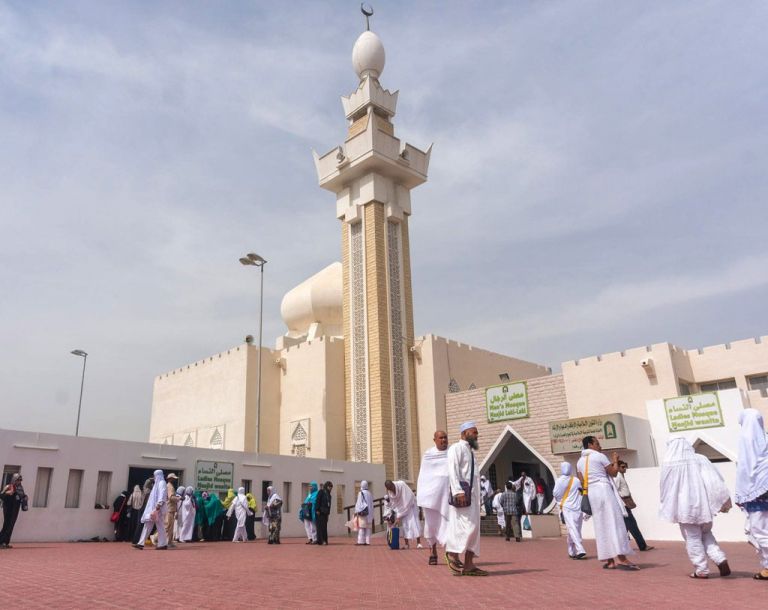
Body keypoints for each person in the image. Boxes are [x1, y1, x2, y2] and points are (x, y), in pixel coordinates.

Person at [659, 437, 731, 578]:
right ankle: (720, 558)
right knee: (706, 534)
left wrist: (668, 506)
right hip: (703, 506)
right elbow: (713, 481)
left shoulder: (668, 463)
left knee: (692, 538)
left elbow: (665, 488)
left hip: (684, 508)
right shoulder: (700, 459)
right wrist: (721, 500)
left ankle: (701, 569)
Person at [577, 436, 637, 570]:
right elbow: (614, 473)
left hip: (592, 494)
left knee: (601, 526)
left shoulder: (580, 461)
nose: (600, 446)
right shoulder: (599, 456)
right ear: (590, 445)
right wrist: (615, 460)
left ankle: (610, 561)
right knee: (614, 522)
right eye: (597, 443)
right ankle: (622, 558)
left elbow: (581, 480)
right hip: (604, 491)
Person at [445, 421, 487, 576]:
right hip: (462, 496)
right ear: (464, 434)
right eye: (474, 432)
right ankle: (452, 554)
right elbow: (452, 470)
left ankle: (469, 565)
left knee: (474, 530)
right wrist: (458, 491)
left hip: (473, 498)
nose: (476, 435)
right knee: (465, 527)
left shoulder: (470, 451)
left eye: (477, 433)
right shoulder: (456, 448)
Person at [735, 408, 768, 580]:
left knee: (760, 531)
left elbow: (745, 470)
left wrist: (741, 493)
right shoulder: (766, 438)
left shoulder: (745, 440)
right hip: (763, 492)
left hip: (757, 495)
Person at [417, 430, 451, 564]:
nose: (444, 440)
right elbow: (424, 476)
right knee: (431, 525)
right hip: (431, 498)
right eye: (441, 438)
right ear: (435, 440)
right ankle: (433, 551)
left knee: (448, 524)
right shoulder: (428, 455)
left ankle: (450, 553)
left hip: (447, 497)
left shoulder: (452, 452)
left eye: (445, 437)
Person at [614, 461, 653, 552]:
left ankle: (619, 547)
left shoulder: (620, 476)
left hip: (625, 503)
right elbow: (615, 490)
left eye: (625, 467)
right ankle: (642, 545)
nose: (625, 469)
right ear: (618, 467)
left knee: (624, 527)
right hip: (623, 504)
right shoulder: (618, 476)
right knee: (632, 525)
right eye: (623, 467)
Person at [552, 463, 586, 559]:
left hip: (571, 507)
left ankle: (571, 551)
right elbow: (580, 492)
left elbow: (555, 494)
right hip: (572, 508)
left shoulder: (560, 481)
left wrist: (562, 500)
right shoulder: (576, 480)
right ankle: (580, 549)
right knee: (574, 528)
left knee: (573, 529)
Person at [133, 469, 168, 550]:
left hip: (158, 508)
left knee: (160, 526)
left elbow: (162, 494)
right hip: (153, 509)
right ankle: (141, 543)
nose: (154, 477)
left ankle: (162, 544)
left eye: (155, 475)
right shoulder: (157, 483)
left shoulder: (162, 483)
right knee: (148, 525)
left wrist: (159, 504)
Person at [384, 479, 421, 549]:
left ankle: (419, 543)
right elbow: (394, 503)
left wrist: (400, 515)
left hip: (410, 506)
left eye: (392, 487)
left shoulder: (401, 484)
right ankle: (407, 544)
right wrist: (398, 513)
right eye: (389, 489)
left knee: (414, 523)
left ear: (393, 484)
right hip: (401, 509)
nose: (392, 489)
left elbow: (409, 497)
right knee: (405, 526)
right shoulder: (390, 492)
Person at [0, 473, 27, 549]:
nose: (19, 481)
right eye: (18, 480)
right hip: (8, 508)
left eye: (20, 480)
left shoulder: (20, 488)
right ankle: (1, 541)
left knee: (11, 525)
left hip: (15, 509)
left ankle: (6, 542)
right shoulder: (9, 487)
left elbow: (22, 496)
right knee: (7, 525)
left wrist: (25, 497)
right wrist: (8, 493)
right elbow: (1, 495)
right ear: (14, 480)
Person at [354, 480, 374, 545]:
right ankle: (368, 541)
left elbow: (359, 503)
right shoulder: (369, 493)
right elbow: (371, 504)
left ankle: (360, 541)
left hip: (363, 513)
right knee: (368, 528)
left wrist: (356, 511)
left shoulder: (361, 493)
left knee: (362, 527)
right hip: (369, 513)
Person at [315, 481, 333, 545]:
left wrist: (328, 514)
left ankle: (325, 540)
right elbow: (317, 501)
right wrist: (317, 510)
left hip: (325, 513)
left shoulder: (329, 495)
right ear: (326, 486)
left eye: (331, 487)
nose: (330, 488)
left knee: (324, 527)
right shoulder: (321, 492)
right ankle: (321, 541)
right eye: (329, 486)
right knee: (320, 527)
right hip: (320, 512)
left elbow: (329, 505)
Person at [164, 473, 179, 548]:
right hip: (169, 508)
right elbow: (171, 497)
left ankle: (169, 541)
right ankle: (155, 538)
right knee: (168, 526)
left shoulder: (170, 486)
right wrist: (178, 499)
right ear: (170, 479)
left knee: (170, 526)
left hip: (171, 508)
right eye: (173, 478)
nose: (175, 480)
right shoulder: (170, 486)